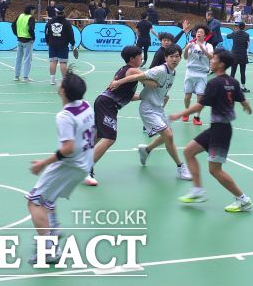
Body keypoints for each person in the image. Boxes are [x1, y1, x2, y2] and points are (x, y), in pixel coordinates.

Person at [170, 49, 253, 213]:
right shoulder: (233, 82)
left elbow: (199, 105)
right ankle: (197, 190)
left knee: (215, 170)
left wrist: (179, 114)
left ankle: (243, 199)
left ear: (221, 64)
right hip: (218, 128)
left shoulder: (214, 83)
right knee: (188, 151)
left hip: (220, 131)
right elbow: (243, 100)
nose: (211, 60)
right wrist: (247, 108)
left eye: (214, 58)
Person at [25, 72, 95, 264]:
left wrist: (43, 163)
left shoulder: (64, 116)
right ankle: (53, 229)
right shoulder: (86, 106)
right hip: (84, 163)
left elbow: (68, 148)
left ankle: (49, 250)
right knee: (48, 198)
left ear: (62, 90)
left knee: (34, 201)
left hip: (69, 165)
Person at [108, 44, 192, 181]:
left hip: (158, 108)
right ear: (166, 58)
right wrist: (118, 82)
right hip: (148, 108)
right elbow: (137, 76)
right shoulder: (159, 70)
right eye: (171, 56)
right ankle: (180, 166)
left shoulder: (173, 72)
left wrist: (163, 99)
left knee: (166, 137)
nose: (174, 59)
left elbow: (159, 91)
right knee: (168, 135)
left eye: (177, 56)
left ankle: (146, 150)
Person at [84, 46, 142, 186]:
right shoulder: (133, 70)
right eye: (140, 56)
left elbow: (127, 96)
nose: (142, 58)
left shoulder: (123, 70)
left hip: (103, 102)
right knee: (109, 138)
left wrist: (143, 96)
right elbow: (148, 77)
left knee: (99, 134)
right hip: (107, 104)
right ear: (132, 59)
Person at [182, 25, 214, 126]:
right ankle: (186, 112)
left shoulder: (208, 45)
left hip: (202, 74)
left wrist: (202, 49)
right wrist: (186, 49)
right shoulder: (191, 44)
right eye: (198, 32)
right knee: (187, 97)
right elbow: (185, 57)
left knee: (200, 97)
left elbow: (211, 57)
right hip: (190, 72)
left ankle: (197, 116)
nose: (199, 33)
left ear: (205, 36)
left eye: (201, 32)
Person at [45, 5, 75, 85]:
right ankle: (64, 81)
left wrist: (47, 41)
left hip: (52, 45)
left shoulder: (50, 22)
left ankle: (52, 80)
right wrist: (72, 43)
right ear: (63, 12)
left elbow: (47, 32)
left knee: (53, 61)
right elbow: (71, 35)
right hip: (63, 45)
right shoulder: (67, 23)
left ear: (56, 12)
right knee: (63, 63)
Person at [11, 5, 36, 82]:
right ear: (31, 10)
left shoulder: (20, 16)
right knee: (27, 59)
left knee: (18, 58)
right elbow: (31, 29)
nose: (34, 11)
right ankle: (25, 77)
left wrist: (17, 34)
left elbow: (13, 25)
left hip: (19, 39)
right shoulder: (31, 18)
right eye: (33, 10)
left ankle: (16, 76)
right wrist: (33, 37)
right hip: (27, 40)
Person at [227, 21, 250, 92]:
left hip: (234, 55)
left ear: (238, 27)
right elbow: (247, 45)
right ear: (244, 27)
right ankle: (243, 87)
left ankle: (230, 87)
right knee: (242, 72)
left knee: (233, 72)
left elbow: (228, 36)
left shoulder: (234, 33)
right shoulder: (247, 35)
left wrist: (234, 32)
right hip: (243, 55)